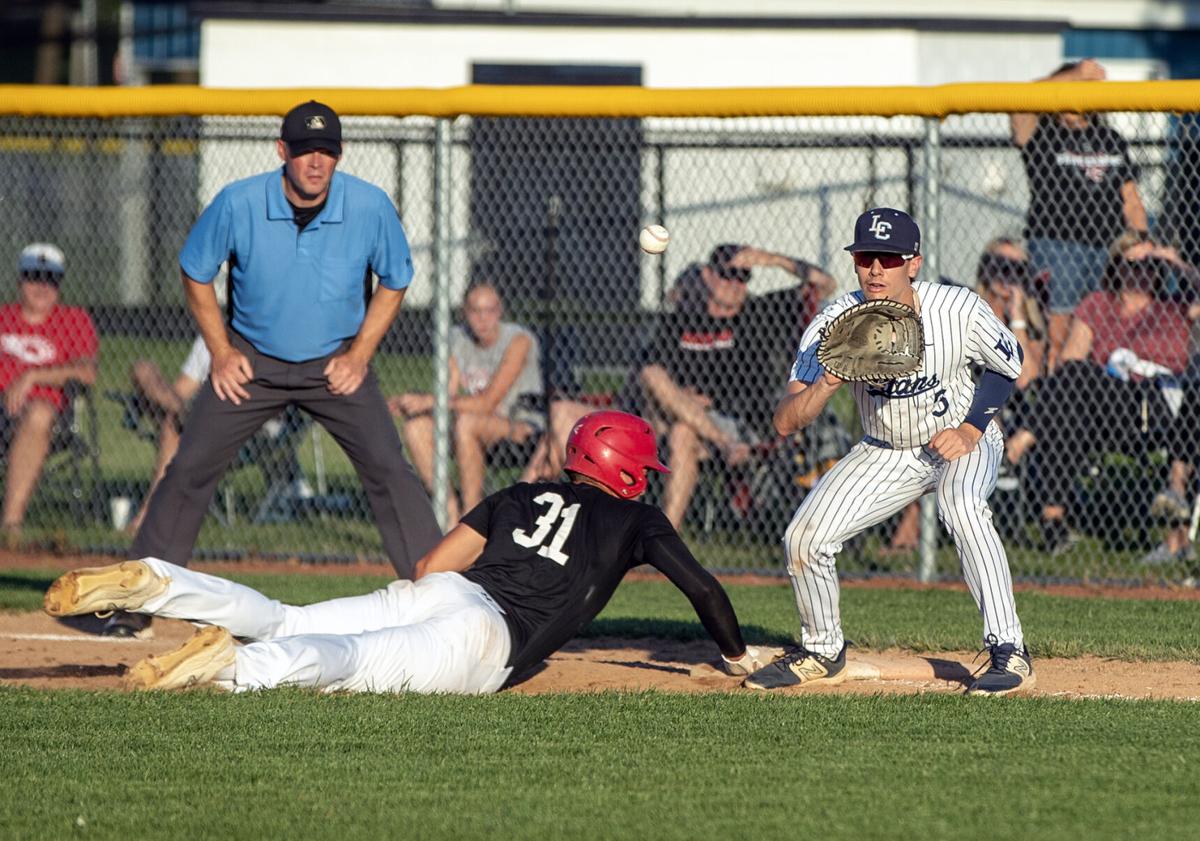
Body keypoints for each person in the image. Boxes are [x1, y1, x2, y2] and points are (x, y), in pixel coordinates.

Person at [44, 410, 781, 694]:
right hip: (487, 635)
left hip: (443, 594)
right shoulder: (640, 517)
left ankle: (159, 582)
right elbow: (705, 591)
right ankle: (236, 666)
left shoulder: (521, 492)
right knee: (352, 665)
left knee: (291, 616)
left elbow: (431, 567)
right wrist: (736, 651)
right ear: (624, 469)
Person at [128, 100, 441, 581]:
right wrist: (221, 352)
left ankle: (439, 594)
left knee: (387, 466)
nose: (316, 162)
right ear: (282, 151)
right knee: (189, 465)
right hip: (252, 362)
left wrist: (359, 355)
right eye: (303, 150)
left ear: (340, 155)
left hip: (335, 361)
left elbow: (396, 278)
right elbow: (195, 271)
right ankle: (141, 594)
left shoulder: (368, 205)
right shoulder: (240, 202)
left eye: (326, 151)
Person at [743, 208, 1034, 696]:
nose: (876, 269)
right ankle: (821, 650)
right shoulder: (835, 321)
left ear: (913, 263)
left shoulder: (956, 308)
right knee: (804, 538)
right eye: (865, 257)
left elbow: (1008, 364)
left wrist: (970, 427)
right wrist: (828, 383)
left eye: (889, 258)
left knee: (962, 506)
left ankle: (1010, 651)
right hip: (886, 449)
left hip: (963, 436)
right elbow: (785, 419)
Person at [522, 244, 834, 530]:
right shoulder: (677, 323)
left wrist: (771, 259)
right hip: (659, 418)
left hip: (728, 423)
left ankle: (660, 539)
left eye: (743, 277)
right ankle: (519, 515)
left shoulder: (760, 312)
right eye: (728, 275)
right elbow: (647, 378)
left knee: (682, 431)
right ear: (708, 277)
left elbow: (824, 284)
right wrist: (679, 399)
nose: (736, 284)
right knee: (563, 412)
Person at [1005, 233, 1192, 554]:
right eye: (1132, 263)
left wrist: (1176, 263)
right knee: (1069, 396)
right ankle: (1054, 524)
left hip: (1156, 404)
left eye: (1151, 264)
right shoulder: (1098, 304)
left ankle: (1027, 446)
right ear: (1116, 266)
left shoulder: (1174, 307)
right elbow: (1070, 363)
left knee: (1068, 398)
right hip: (1106, 402)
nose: (1142, 272)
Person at [1011, 58, 1149, 370]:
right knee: (1059, 335)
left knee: (1106, 333)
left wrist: (1141, 239)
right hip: (1059, 244)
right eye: (1071, 86)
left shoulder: (1110, 138)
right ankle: (1057, 404)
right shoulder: (1042, 132)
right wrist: (1074, 74)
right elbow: (1020, 101)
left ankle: (1099, 401)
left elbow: (1130, 198)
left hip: (1108, 246)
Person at [389, 281, 543, 524]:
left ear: (500, 311)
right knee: (415, 427)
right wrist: (415, 404)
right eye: (475, 311)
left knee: (467, 422)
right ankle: (449, 514)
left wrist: (428, 401)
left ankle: (472, 520)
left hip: (517, 425)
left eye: (489, 311)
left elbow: (488, 403)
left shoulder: (519, 340)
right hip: (468, 424)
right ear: (464, 312)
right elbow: (448, 392)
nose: (482, 318)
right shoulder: (456, 338)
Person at [123, 336, 310, 534]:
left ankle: (150, 513)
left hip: (252, 431)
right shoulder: (210, 338)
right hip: (201, 424)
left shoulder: (266, 335)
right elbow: (181, 390)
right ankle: (187, 415)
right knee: (144, 371)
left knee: (173, 428)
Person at [0, 243, 98, 542]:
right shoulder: (4, 317)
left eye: (50, 280)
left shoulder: (73, 320)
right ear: (20, 281)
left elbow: (87, 372)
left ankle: (10, 527)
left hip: (49, 420)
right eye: (34, 277)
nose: (41, 287)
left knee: (39, 412)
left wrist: (32, 377)